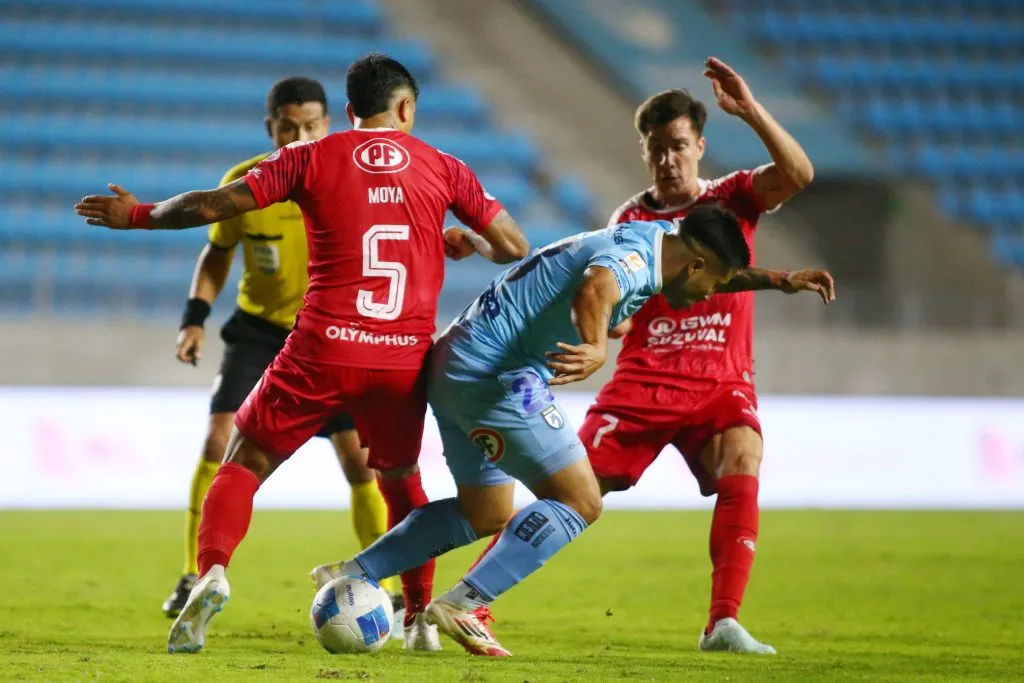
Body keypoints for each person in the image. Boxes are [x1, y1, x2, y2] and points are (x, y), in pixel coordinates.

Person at [74, 53, 529, 654]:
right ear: (406, 108)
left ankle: (211, 572)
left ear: (346, 113)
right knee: (400, 482)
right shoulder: (446, 167)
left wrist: (136, 215)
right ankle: (418, 620)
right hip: (400, 358)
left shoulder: (309, 157)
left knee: (244, 461)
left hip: (322, 347)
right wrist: (468, 241)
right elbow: (515, 246)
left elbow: (210, 207)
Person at [309, 206, 815, 656]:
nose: (710, 296)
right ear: (697, 265)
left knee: (485, 511)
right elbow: (595, 288)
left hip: (456, 363)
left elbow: (645, 278)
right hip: (497, 376)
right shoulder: (638, 260)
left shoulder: (658, 239)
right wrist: (596, 345)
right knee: (582, 499)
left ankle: (354, 573)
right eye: (712, 284)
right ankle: (465, 603)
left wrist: (779, 280)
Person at [462, 57, 826, 655]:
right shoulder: (631, 220)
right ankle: (475, 597)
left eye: (678, 145)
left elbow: (799, 173)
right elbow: (617, 298)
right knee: (571, 492)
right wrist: (600, 331)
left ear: (700, 145)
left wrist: (752, 110)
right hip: (645, 384)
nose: (668, 159)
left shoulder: (733, 197)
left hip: (718, 379)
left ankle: (723, 623)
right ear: (644, 151)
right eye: (656, 147)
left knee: (743, 456)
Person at [161, 76, 404, 625]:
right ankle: (193, 575)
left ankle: (384, 584)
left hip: (332, 334)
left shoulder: (350, 176)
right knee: (219, 438)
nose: (299, 135)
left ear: (329, 124)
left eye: (311, 126)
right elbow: (217, 253)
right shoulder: (245, 185)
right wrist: (194, 319)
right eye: (288, 127)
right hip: (261, 331)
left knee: (361, 463)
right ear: (270, 127)